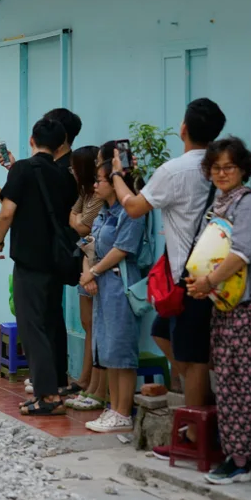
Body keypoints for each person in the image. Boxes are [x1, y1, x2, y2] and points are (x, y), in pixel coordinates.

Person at [110, 98, 226, 456]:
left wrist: (117, 175)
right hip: (213, 273)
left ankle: (194, 435)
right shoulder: (219, 167)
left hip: (192, 278)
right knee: (163, 333)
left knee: (193, 359)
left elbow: (132, 208)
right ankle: (204, 404)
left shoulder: (175, 170)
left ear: (184, 129)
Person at [184, 137, 251, 484]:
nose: (221, 173)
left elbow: (242, 252)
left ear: (243, 169)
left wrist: (207, 282)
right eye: (215, 167)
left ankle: (245, 458)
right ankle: (239, 454)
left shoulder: (247, 204)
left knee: (245, 383)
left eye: (228, 167)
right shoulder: (220, 202)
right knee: (230, 381)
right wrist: (200, 284)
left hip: (247, 306)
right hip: (225, 306)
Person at [0, 118, 77, 413]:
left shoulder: (24, 169)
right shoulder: (65, 174)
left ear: (32, 140)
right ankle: (56, 386)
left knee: (32, 326)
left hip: (29, 260)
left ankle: (48, 397)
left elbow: (7, 211)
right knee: (53, 321)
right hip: (57, 260)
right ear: (60, 145)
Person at [78, 162, 145, 432]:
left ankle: (122, 411)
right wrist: (89, 273)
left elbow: (123, 248)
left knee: (120, 350)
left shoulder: (131, 213)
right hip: (101, 281)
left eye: (100, 180)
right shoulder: (103, 213)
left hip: (120, 281)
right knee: (106, 348)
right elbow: (88, 244)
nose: (96, 185)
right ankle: (112, 407)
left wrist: (93, 271)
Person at [62, 146, 108, 410]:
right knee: (86, 322)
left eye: (73, 168)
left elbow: (81, 225)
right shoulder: (85, 193)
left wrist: (77, 219)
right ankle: (85, 380)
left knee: (94, 327)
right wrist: (77, 219)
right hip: (85, 262)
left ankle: (91, 385)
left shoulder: (100, 197)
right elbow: (74, 216)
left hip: (96, 265)